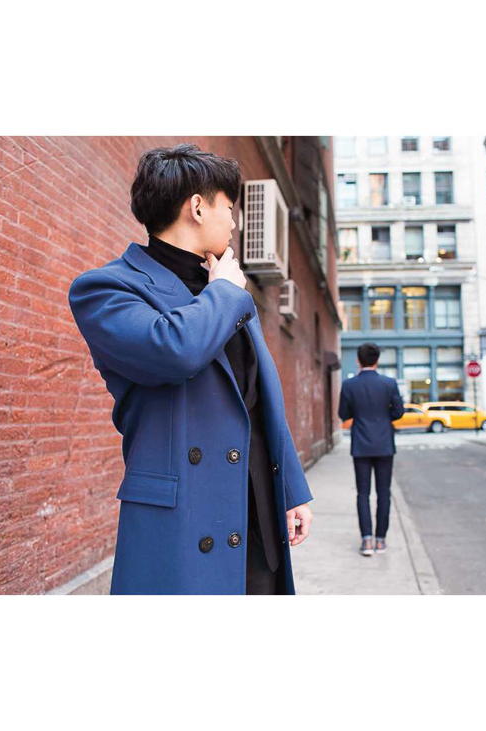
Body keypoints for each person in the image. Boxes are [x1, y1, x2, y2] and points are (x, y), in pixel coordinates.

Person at [68, 143, 313, 594]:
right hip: (184, 519)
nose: (235, 221)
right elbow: (172, 350)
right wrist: (224, 293)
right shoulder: (106, 288)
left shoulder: (225, 288)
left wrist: (291, 490)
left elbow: (260, 398)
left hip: (255, 509)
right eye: (229, 206)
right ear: (198, 207)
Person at [337, 343, 405, 556]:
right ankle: (380, 541)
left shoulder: (349, 385)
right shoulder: (389, 383)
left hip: (361, 445)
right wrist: (385, 418)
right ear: (376, 360)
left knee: (363, 493)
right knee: (384, 493)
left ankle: (366, 541)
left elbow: (343, 414)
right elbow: (399, 412)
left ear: (358, 360)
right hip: (385, 445)